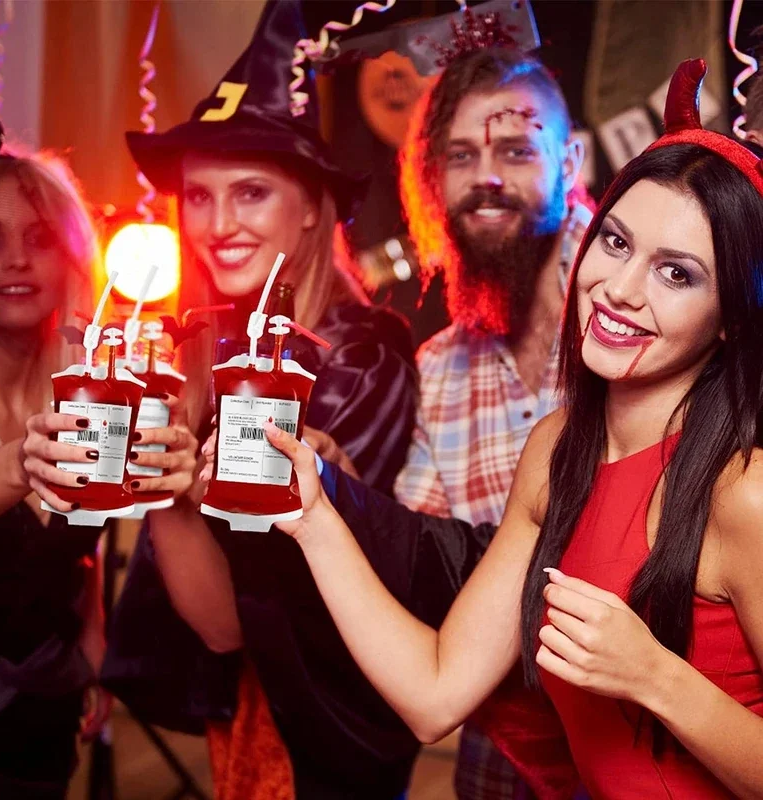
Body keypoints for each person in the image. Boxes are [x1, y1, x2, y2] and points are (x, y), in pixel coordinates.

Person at [264, 58, 763, 798]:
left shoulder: (745, 492)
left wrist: (655, 676)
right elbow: (434, 694)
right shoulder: (556, 449)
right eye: (616, 243)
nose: (620, 290)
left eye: (677, 273)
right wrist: (313, 517)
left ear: (731, 320)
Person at [103, 2, 419, 798]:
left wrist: (176, 490)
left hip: (327, 724)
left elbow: (248, 618)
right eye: (198, 196)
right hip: (235, 714)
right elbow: (216, 630)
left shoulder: (361, 358)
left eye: (250, 192)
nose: (217, 224)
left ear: (311, 205)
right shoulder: (197, 350)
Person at [394, 44, 590, 799]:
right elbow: (423, 559)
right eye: (461, 155)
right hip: (502, 741)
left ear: (569, 162)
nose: (487, 178)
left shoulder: (649, 306)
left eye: (515, 150)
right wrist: (332, 485)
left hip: (662, 731)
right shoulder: (439, 367)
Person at [0, 116, 109, 798]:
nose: (17, 262)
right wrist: (25, 461)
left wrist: (93, 636)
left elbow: (77, 542)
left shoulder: (85, 383)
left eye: (41, 239)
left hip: (43, 723)